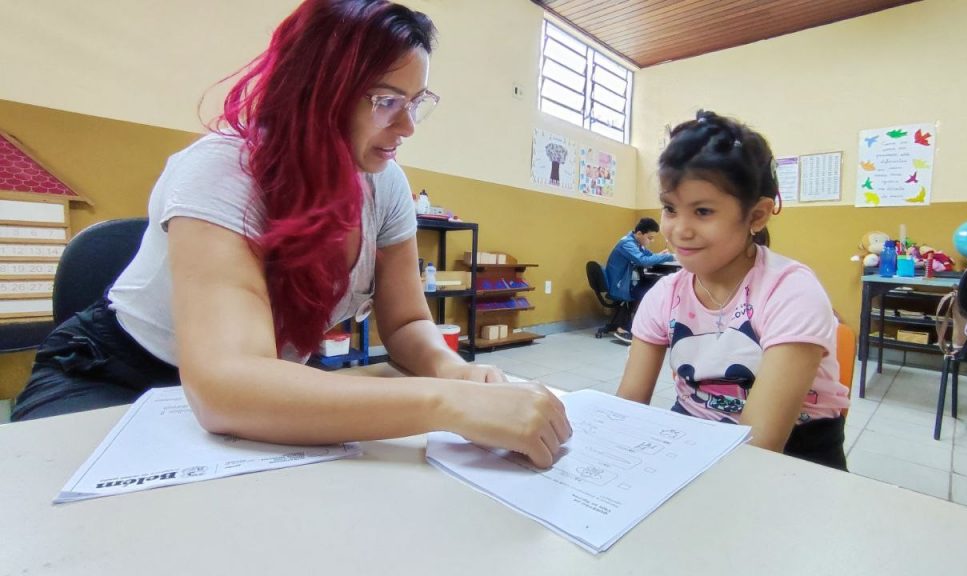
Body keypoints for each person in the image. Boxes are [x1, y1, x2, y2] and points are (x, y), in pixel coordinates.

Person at [12, 0, 571, 468]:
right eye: (386, 101)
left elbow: (404, 322)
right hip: (114, 377)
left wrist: (459, 373)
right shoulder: (222, 171)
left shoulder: (385, 185)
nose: (406, 127)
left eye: (417, 103)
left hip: (256, 391)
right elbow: (228, 384)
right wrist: (449, 403)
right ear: (317, 91)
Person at [615, 110, 850, 470]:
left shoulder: (791, 292)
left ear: (756, 216)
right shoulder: (664, 295)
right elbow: (626, 409)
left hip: (795, 458)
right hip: (694, 441)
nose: (679, 229)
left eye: (703, 211)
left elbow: (760, 447)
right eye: (669, 208)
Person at [604, 217, 675, 342]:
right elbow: (642, 260)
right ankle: (625, 328)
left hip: (626, 281)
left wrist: (660, 255)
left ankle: (629, 325)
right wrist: (667, 258)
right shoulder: (627, 244)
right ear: (639, 233)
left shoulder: (636, 242)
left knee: (648, 286)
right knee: (646, 291)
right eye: (650, 238)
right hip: (619, 284)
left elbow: (648, 255)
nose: (651, 241)